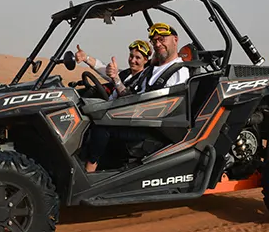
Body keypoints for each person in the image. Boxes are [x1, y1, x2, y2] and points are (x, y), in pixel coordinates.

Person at [80, 23, 190, 172]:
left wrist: (118, 86)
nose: (158, 44)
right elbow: (132, 95)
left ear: (175, 40)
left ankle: (89, 172)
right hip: (138, 119)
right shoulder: (151, 70)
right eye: (154, 40)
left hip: (154, 129)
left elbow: (165, 107)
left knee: (102, 126)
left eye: (162, 39)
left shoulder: (179, 71)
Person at [75, 39, 152, 100]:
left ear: (145, 60)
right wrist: (86, 58)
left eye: (137, 58)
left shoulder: (143, 80)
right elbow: (102, 68)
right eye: (131, 56)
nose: (132, 60)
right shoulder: (125, 74)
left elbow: (130, 98)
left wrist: (116, 79)